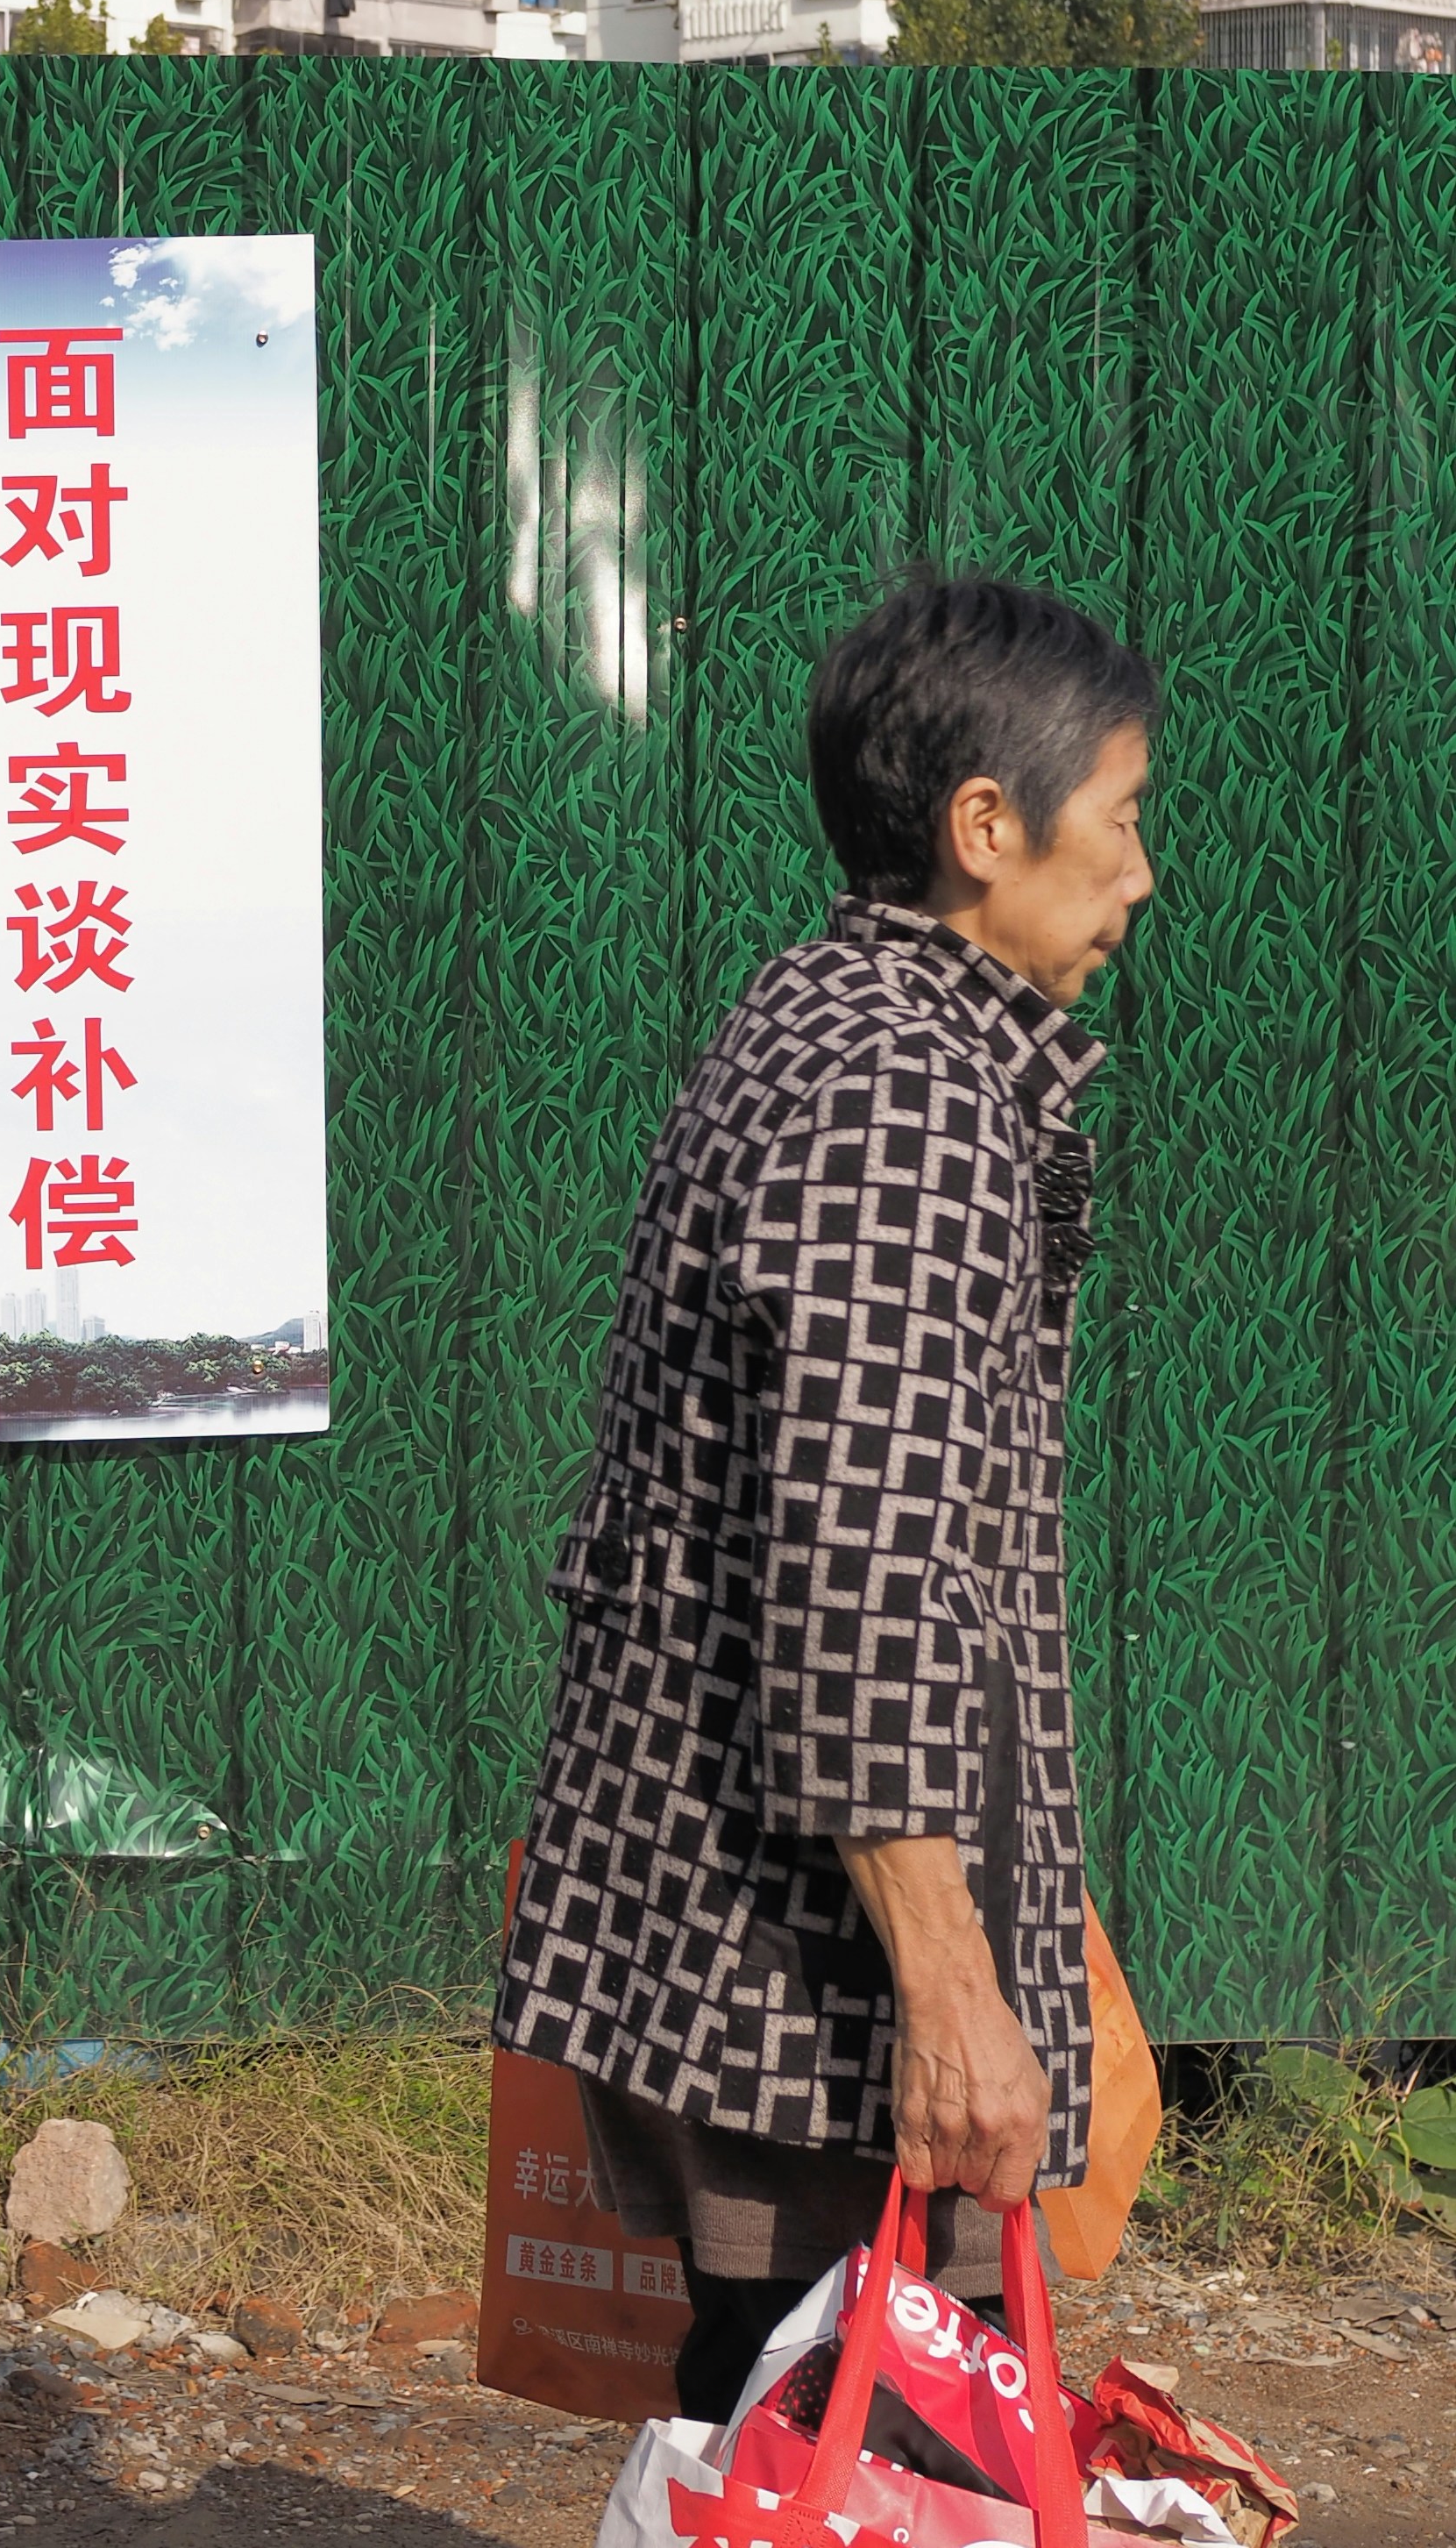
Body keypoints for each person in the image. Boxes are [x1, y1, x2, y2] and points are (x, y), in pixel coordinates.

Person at [494, 574, 1156, 2426]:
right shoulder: (902, 1090)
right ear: (983, 827)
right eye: (1116, 820)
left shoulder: (827, 1010)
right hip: (810, 1976)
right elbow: (856, 1569)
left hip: (771, 1935)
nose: (1138, 876)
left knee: (776, 2419)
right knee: (856, 2431)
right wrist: (951, 1992)